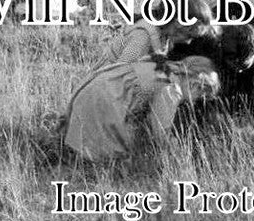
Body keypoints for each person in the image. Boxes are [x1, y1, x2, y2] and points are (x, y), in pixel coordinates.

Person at [61, 56, 221, 163]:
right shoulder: (172, 88)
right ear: (194, 85)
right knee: (114, 161)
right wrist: (179, 157)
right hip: (103, 104)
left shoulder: (160, 68)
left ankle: (75, 155)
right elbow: (160, 132)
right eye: (199, 97)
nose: (193, 103)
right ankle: (90, 161)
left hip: (89, 96)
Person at [91, 0, 214, 70]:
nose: (189, 42)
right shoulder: (143, 37)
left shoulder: (164, 38)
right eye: (189, 36)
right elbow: (118, 72)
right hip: (100, 91)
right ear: (178, 23)